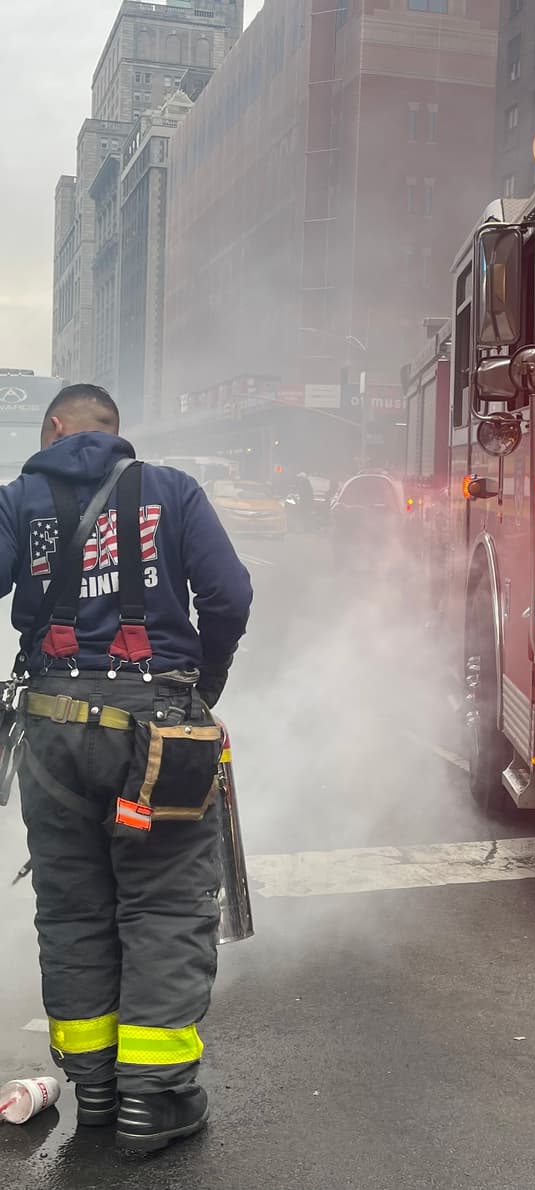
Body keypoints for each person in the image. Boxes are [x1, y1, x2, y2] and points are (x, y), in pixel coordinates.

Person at [0, 384, 252, 1150]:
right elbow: (230, 595)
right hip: (158, 734)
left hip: (49, 733)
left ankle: (99, 1091)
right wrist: (200, 686)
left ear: (53, 429)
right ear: (116, 435)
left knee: (74, 908)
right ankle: (156, 1099)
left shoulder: (18, 500)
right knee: (166, 905)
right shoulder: (170, 491)